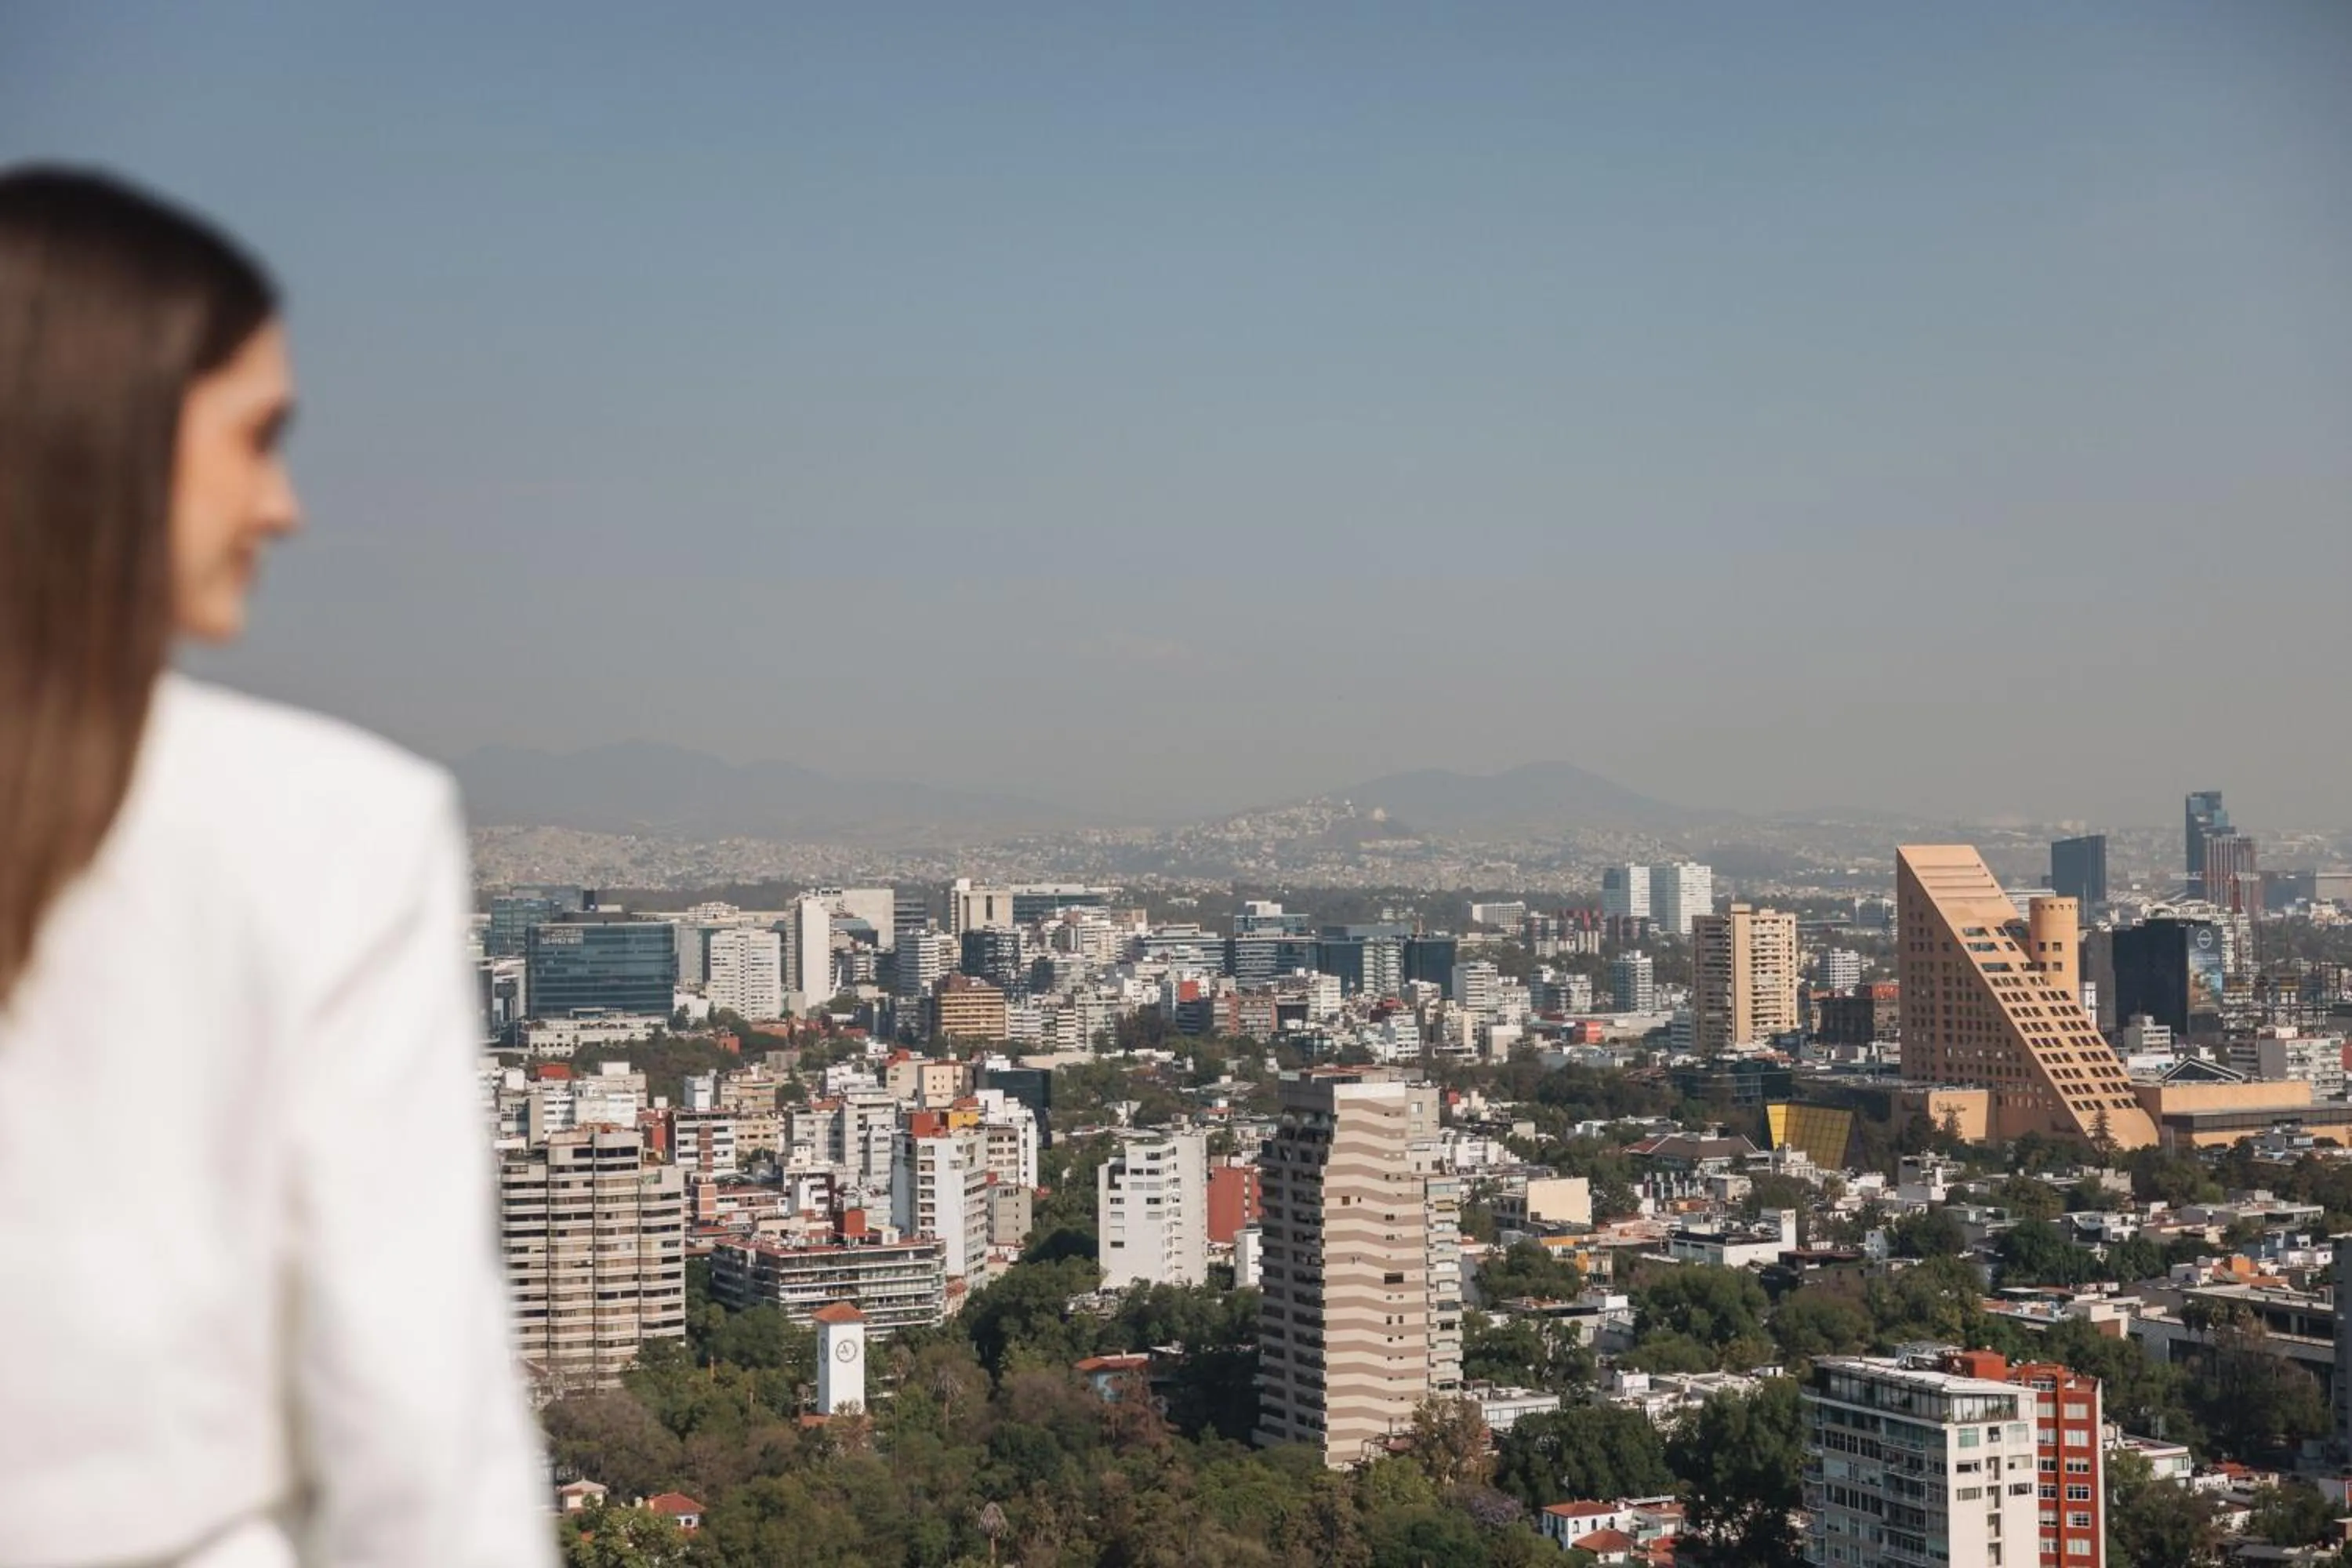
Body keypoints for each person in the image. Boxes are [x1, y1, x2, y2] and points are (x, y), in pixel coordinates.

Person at [0, 169, 554, 1566]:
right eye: (255, 438)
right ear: (105, 437)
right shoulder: (325, 830)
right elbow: (418, 1430)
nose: (284, 506)